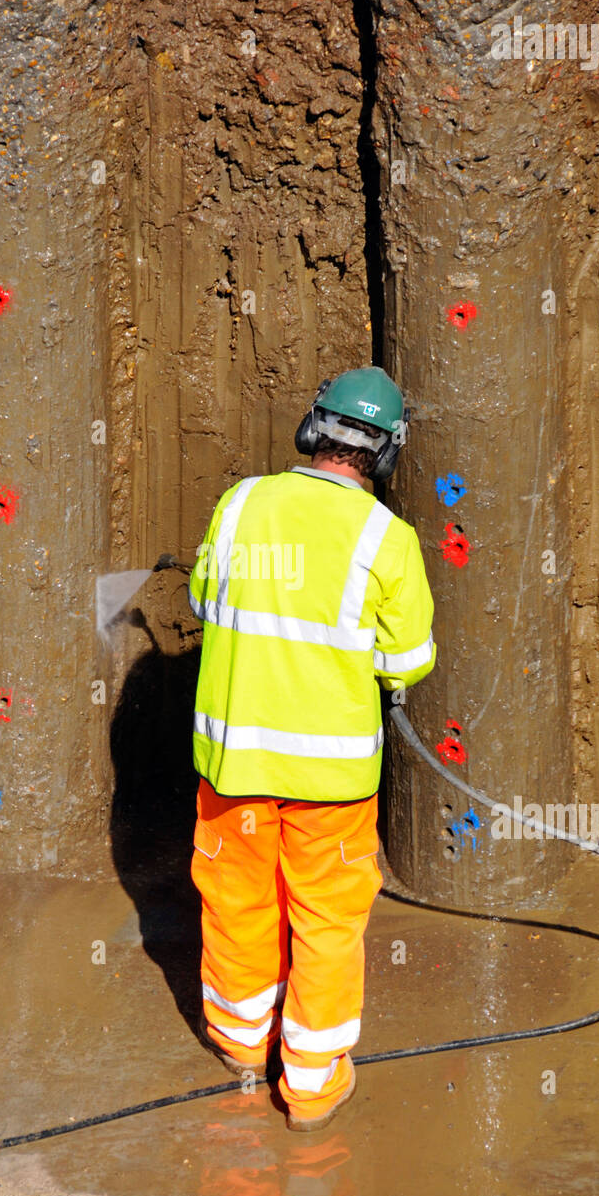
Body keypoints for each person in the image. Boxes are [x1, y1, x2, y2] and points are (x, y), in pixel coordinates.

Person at [187, 366, 436, 1130]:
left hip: (233, 769)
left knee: (237, 903)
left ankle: (236, 1045)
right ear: (383, 455)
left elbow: (203, 598)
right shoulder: (385, 540)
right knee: (326, 926)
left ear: (312, 429)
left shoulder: (241, 504)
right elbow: (406, 658)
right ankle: (311, 1091)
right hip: (330, 783)